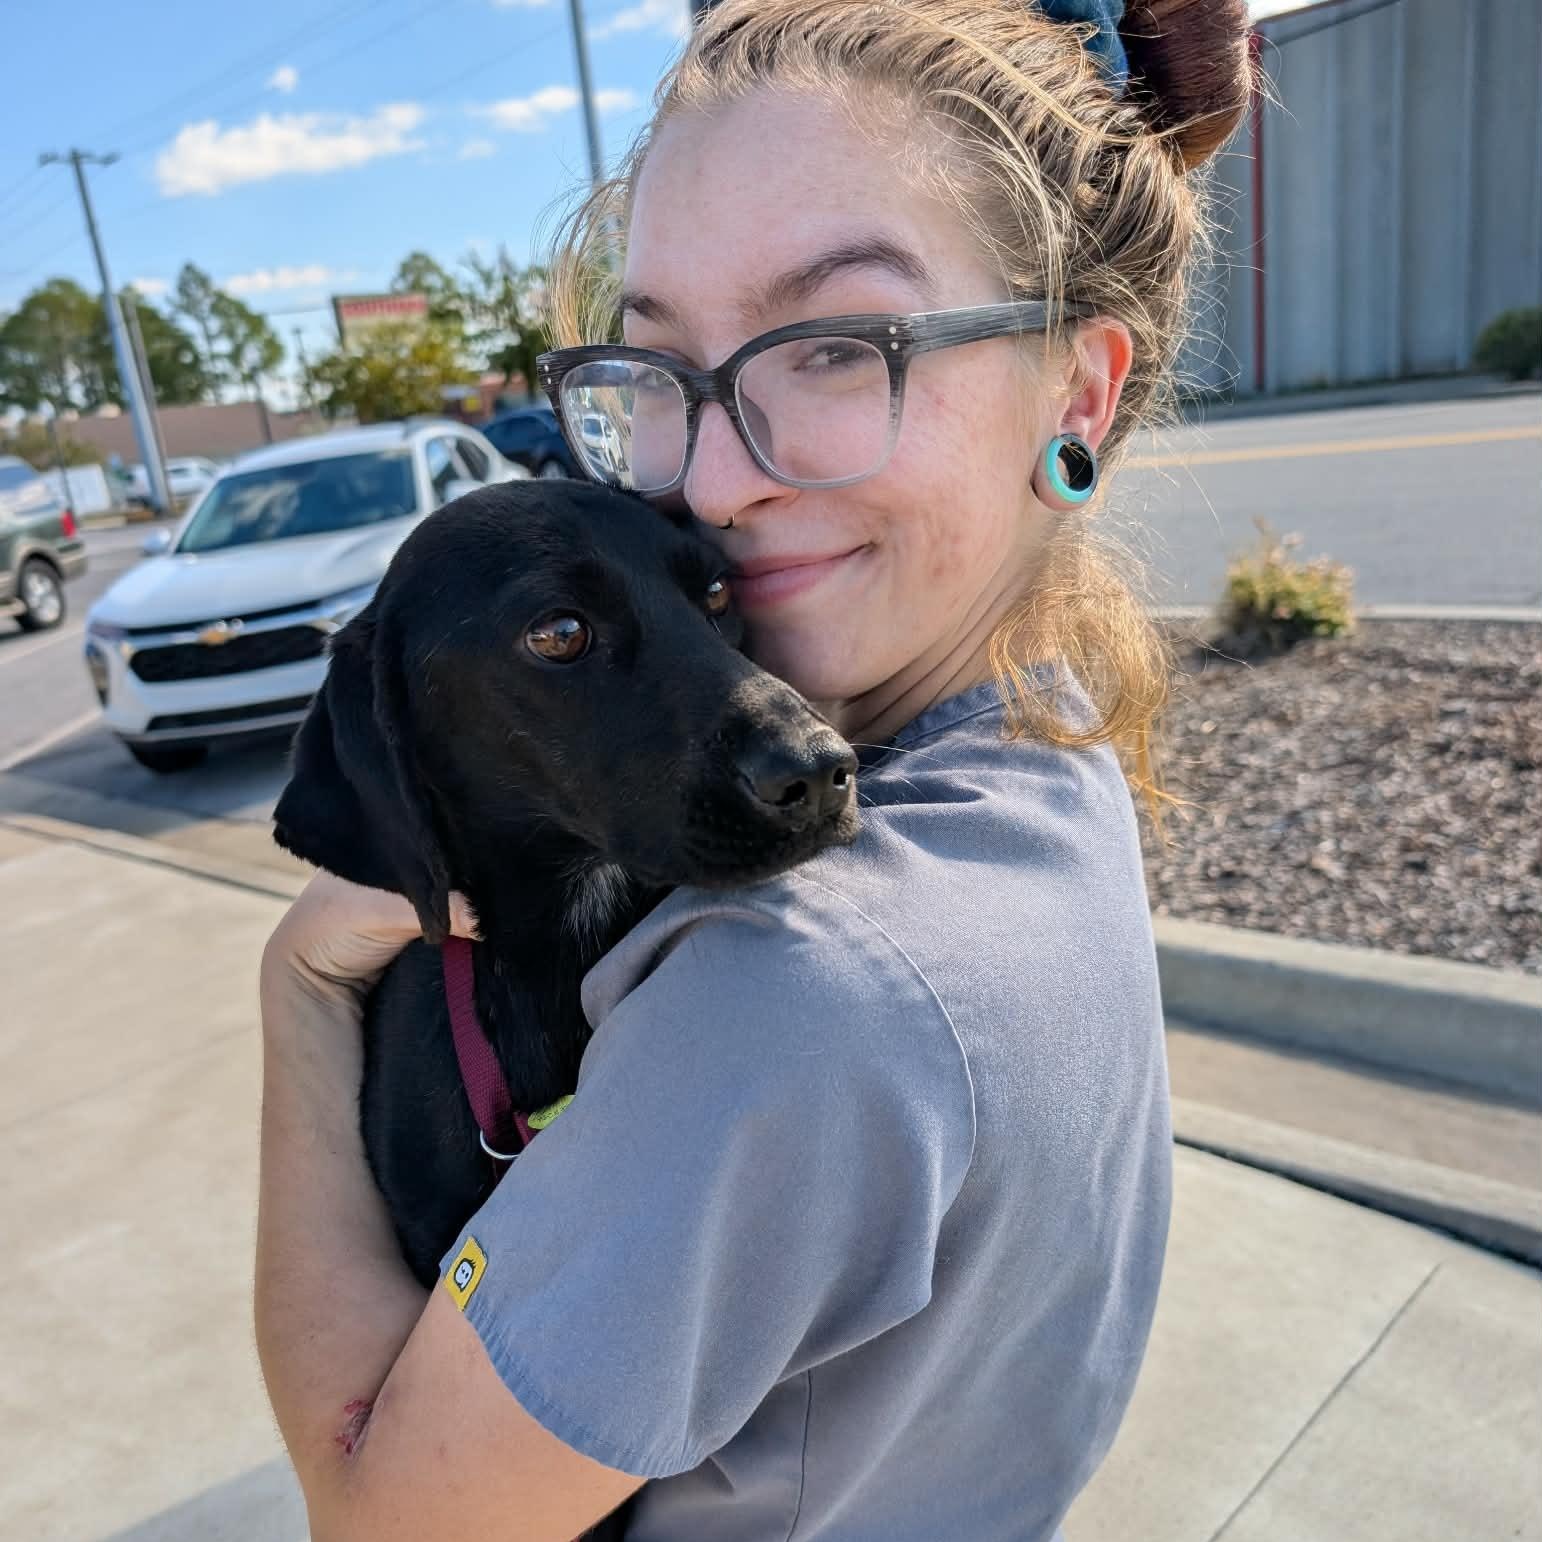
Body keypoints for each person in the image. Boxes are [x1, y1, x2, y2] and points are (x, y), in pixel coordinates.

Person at [254, 1, 1254, 1537]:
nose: (713, 478)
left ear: (1077, 393)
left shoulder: (792, 989)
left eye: (842, 344)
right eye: (659, 368)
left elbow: (382, 1516)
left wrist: (299, 995)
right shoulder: (1029, 746)